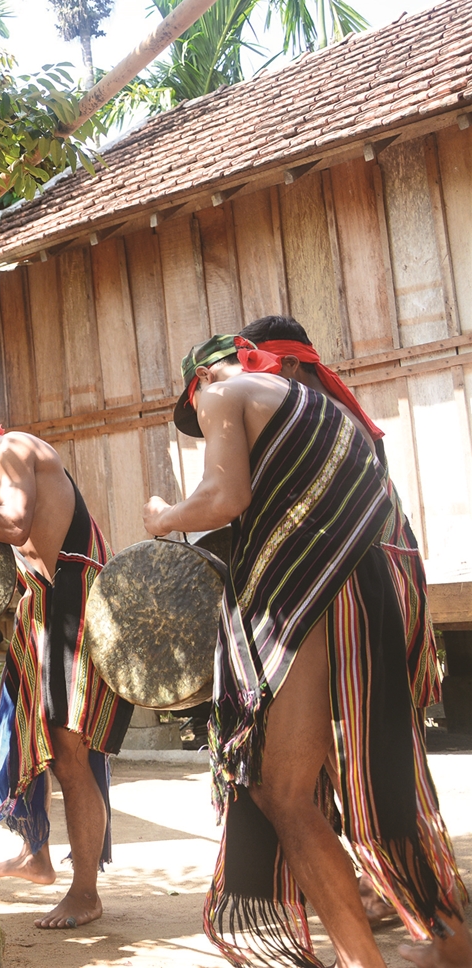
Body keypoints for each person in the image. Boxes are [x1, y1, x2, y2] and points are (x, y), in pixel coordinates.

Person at [142, 334, 469, 968]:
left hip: (308, 598)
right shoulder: (324, 408)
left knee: (278, 789)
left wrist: (163, 517)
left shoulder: (222, 391)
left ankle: (363, 959)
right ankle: (444, 943)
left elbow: (223, 498)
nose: (201, 415)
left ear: (202, 378)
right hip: (368, 591)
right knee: (381, 781)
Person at [235, 316, 466, 959]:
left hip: (344, 598)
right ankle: (390, 929)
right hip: (375, 592)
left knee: (365, 784)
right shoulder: (340, 417)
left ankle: (441, 939)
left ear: (286, 366)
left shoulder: (300, 417)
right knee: (348, 782)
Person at [0, 414, 133, 929]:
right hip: (43, 605)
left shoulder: (13, 446)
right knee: (27, 738)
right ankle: (37, 854)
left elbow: (14, 525)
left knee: (68, 751)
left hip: (74, 597)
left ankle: (85, 893)